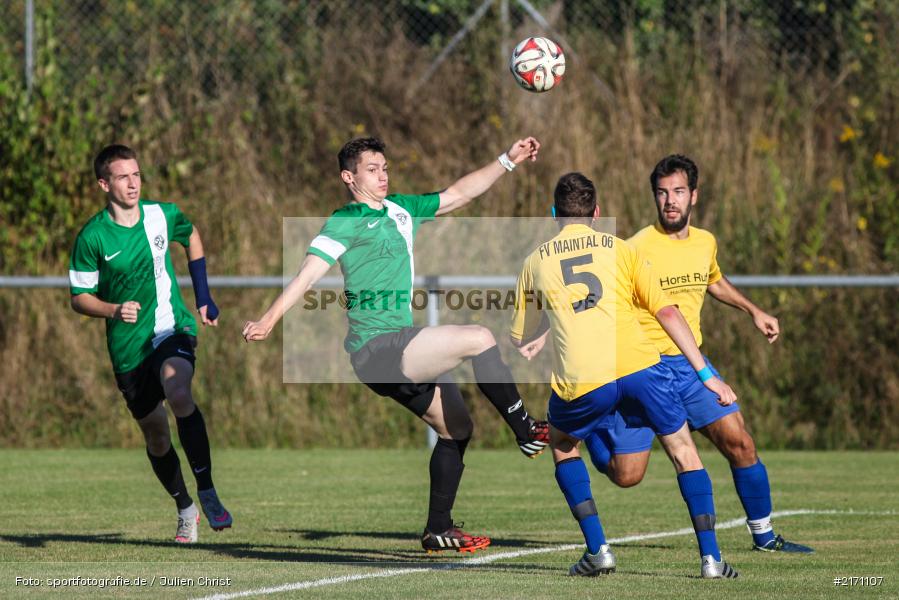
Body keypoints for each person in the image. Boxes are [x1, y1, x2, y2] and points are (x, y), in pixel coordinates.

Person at [242, 136, 549, 553]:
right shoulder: (345, 220)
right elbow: (307, 276)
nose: (383, 176)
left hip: (397, 348)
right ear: (348, 177)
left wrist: (507, 161)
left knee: (457, 428)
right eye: (372, 170)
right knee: (479, 338)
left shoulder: (401, 209)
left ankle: (438, 530)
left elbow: (458, 194)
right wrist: (268, 319)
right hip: (377, 348)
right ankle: (526, 429)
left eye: (385, 168)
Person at [511, 172, 739, 578]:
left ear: (554, 214)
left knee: (562, 443)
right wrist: (707, 375)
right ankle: (711, 561)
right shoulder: (621, 249)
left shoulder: (535, 261)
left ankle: (598, 551)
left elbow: (520, 336)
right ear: (597, 214)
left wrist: (550, 321)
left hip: (584, 376)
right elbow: (667, 312)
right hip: (641, 366)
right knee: (683, 450)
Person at [582, 155, 813, 553]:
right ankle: (592, 427)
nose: (670, 200)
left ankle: (764, 536)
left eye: (678, 191)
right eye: (662, 193)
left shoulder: (705, 242)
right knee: (626, 475)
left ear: (694, 195)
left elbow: (714, 281)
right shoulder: (634, 247)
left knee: (741, 444)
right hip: (643, 370)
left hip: (689, 367)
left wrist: (753, 311)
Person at [69, 144, 232, 544]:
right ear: (104, 184)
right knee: (156, 435)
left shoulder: (162, 214)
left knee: (178, 391)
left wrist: (203, 295)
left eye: (137, 175)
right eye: (123, 177)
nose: (133, 183)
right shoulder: (93, 237)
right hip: (128, 349)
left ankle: (208, 491)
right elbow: (79, 297)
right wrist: (112, 309)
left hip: (171, 328)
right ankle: (186, 508)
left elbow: (191, 235)